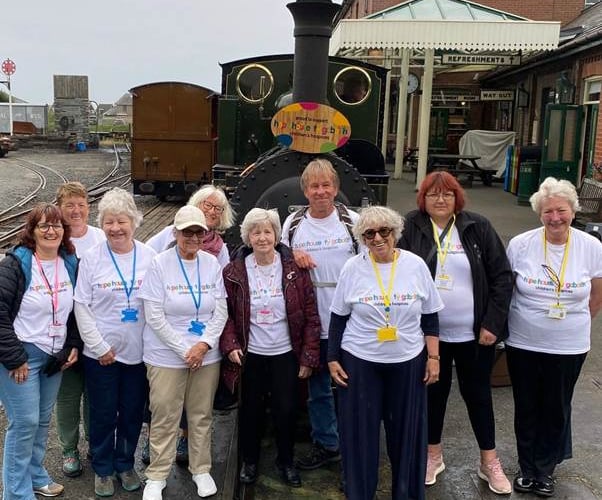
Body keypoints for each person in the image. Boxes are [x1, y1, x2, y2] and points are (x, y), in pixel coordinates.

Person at [397, 171, 514, 494]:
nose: (440, 200)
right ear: (423, 198)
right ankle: (432, 454)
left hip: (475, 335)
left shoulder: (478, 227)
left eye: (447, 194)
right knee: (433, 397)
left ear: (456, 198)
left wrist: (493, 323)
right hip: (428, 336)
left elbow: (503, 278)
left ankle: (489, 461)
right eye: (433, 194)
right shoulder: (410, 227)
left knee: (478, 396)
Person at [328, 205, 443, 500]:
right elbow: (338, 316)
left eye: (384, 231)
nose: (378, 238)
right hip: (360, 361)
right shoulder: (352, 268)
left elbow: (430, 316)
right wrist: (332, 359)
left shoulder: (416, 265)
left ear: (396, 232)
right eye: (369, 233)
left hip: (408, 361)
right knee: (360, 437)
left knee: (407, 437)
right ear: (362, 238)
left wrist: (433, 357)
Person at [505, 177, 602, 497]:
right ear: (539, 213)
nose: (555, 217)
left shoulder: (591, 247)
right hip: (524, 340)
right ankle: (526, 467)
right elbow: (506, 288)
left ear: (573, 211)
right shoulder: (521, 244)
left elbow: (597, 294)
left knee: (556, 405)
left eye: (561, 210)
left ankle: (545, 470)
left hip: (569, 343)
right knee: (527, 404)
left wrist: (576, 322)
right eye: (548, 211)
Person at [220, 208, 320, 487]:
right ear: (247, 237)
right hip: (250, 356)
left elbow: (311, 315)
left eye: (267, 231)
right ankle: (250, 461)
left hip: (285, 353)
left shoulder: (294, 270)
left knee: (286, 410)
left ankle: (286, 461)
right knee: (250, 410)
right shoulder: (234, 272)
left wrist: (308, 356)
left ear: (276, 235)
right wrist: (230, 344)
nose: (262, 237)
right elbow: (224, 313)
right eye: (256, 232)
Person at [139, 205, 228, 500]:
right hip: (166, 354)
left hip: (205, 355)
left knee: (201, 415)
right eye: (186, 231)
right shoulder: (159, 264)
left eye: (198, 231)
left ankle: (200, 469)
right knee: (164, 413)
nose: (192, 237)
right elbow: (153, 314)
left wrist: (203, 345)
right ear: (175, 232)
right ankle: (157, 474)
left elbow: (221, 310)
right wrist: (184, 349)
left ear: (205, 234)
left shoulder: (211, 264)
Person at [73, 187, 155, 497]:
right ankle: (103, 468)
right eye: (108, 222)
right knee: (104, 412)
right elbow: (81, 305)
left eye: (122, 221)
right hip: (101, 354)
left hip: (139, 352)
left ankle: (125, 463)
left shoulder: (149, 256)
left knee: (132, 411)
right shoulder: (92, 258)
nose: (116, 228)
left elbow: (158, 304)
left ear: (135, 221)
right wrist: (99, 347)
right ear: (102, 224)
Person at [281, 157, 358, 470]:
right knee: (318, 390)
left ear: (336, 188)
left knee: (351, 386)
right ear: (305, 191)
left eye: (326, 185)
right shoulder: (294, 223)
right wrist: (292, 255)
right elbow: (280, 259)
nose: (321, 191)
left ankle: (353, 442)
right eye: (315, 186)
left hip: (350, 319)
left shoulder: (352, 221)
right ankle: (327, 444)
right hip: (312, 319)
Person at [0, 203, 80, 499]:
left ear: (64, 231)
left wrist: (72, 344)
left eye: (57, 225)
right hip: (21, 356)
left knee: (42, 420)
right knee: (24, 423)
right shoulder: (16, 264)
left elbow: (76, 311)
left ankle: (35, 475)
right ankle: (16, 493)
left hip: (54, 357)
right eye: (44, 225)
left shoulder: (69, 261)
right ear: (32, 231)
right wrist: (14, 357)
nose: (51, 230)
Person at [55, 181, 106, 478]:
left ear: (89, 207)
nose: (75, 210)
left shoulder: (99, 237)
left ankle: (92, 444)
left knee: (95, 394)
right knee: (68, 396)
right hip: (64, 333)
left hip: (96, 329)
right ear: (60, 209)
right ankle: (68, 449)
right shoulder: (55, 239)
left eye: (81, 204)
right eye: (69, 205)